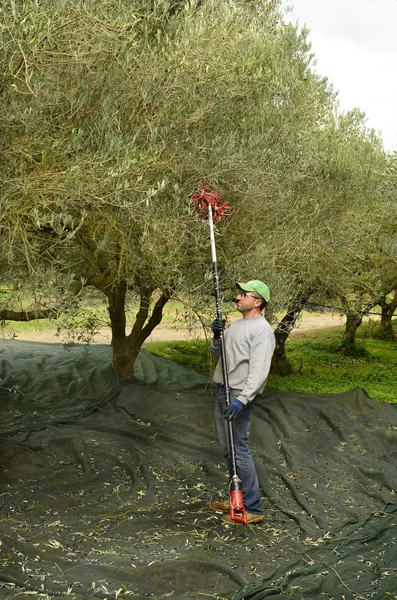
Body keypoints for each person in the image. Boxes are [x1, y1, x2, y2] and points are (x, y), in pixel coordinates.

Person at [209, 280, 275, 524]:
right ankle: (237, 497)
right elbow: (219, 357)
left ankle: (253, 508)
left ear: (257, 302)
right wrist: (217, 337)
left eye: (243, 294)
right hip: (222, 390)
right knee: (228, 449)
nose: (237, 298)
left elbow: (259, 372)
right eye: (238, 294)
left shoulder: (262, 331)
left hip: (238, 394)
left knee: (239, 449)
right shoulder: (238, 325)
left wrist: (242, 401)